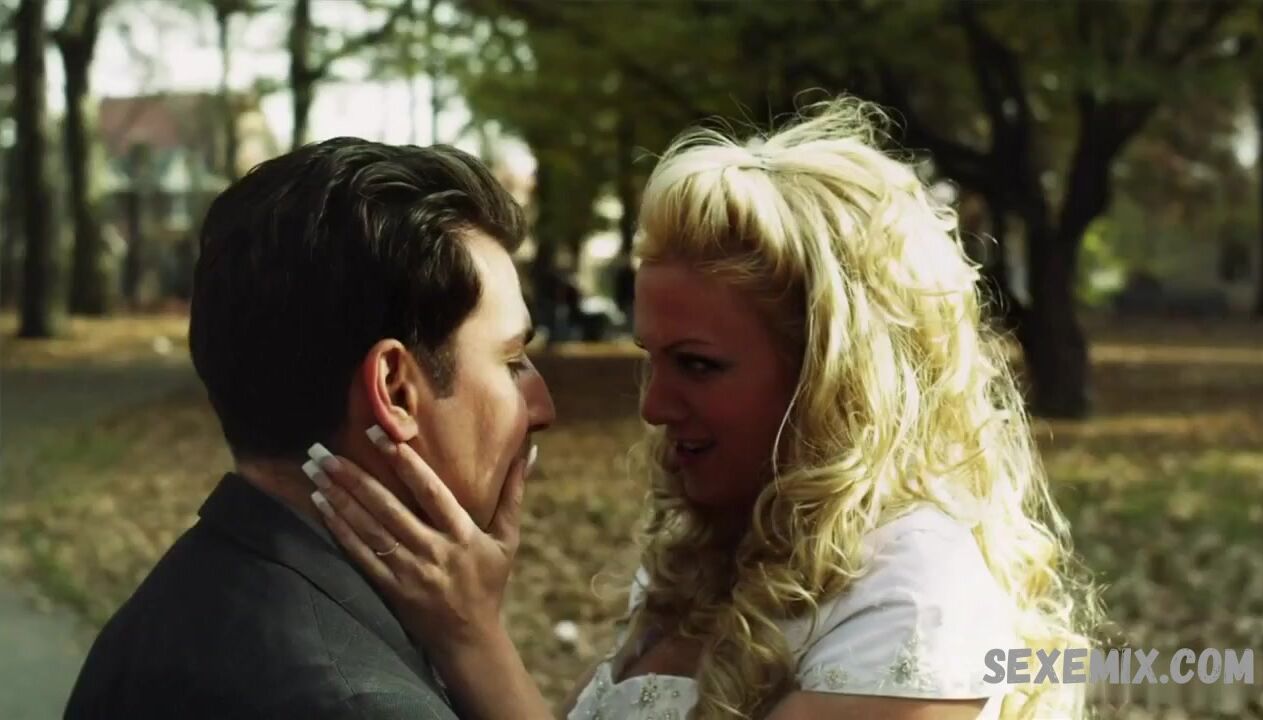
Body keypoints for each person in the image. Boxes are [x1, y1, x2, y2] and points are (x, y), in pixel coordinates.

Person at [309, 98, 1101, 719]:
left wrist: (472, 636)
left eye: (697, 365)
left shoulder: (917, 603)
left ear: (834, 378)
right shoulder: (717, 552)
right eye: (650, 359)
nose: (655, 406)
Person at [64, 138, 556, 719]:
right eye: (512, 361)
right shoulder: (363, 704)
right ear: (395, 389)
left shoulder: (157, 617)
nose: (543, 407)